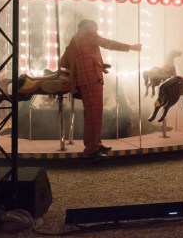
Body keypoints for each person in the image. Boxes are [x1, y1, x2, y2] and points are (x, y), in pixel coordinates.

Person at [59, 19, 141, 160]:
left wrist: (95, 65)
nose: (96, 31)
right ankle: (91, 150)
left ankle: (96, 144)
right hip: (92, 81)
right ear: (89, 28)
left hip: (82, 82)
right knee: (94, 116)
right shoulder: (90, 35)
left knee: (91, 115)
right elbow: (109, 44)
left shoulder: (74, 40)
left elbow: (63, 62)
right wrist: (131, 47)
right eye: (95, 28)